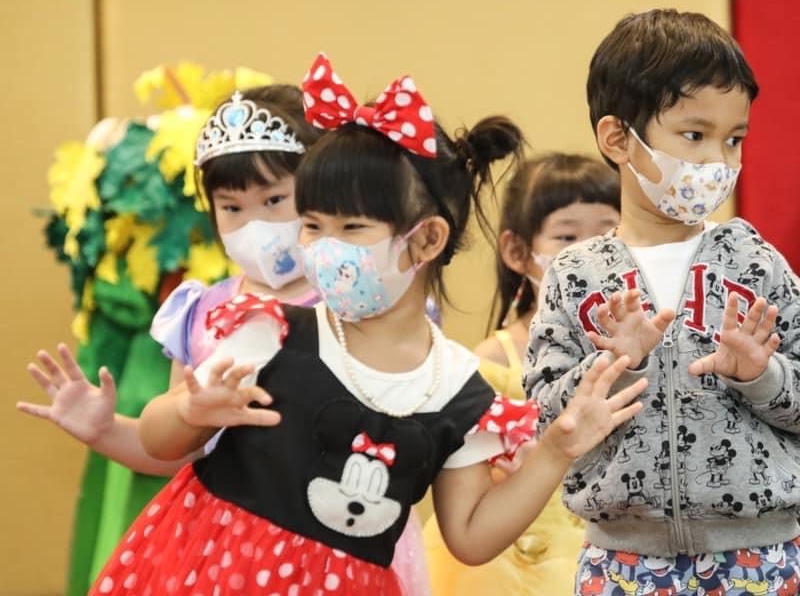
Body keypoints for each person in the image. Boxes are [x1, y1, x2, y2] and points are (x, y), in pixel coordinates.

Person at [86, 52, 648, 595]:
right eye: (312, 225)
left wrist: (555, 450)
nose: (323, 247)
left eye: (352, 227)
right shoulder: (271, 331)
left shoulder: (460, 391)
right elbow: (161, 442)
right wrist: (189, 412)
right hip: (209, 571)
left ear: (426, 239)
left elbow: (471, 537)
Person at [20, 84, 428, 594]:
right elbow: (176, 450)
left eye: (274, 200)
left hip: (337, 551)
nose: (254, 224)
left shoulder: (364, 306)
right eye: (231, 207)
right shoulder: (200, 312)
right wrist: (107, 430)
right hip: (222, 554)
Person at [524, 10, 800, 596]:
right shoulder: (574, 276)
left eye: (734, 139)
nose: (718, 160)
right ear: (617, 138)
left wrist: (762, 374)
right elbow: (547, 419)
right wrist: (615, 366)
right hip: (622, 565)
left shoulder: (754, 261)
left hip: (761, 560)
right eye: (694, 136)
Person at [422, 152, 620, 595]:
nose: (589, 254)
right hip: (514, 564)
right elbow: (471, 483)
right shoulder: (493, 362)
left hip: (613, 553)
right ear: (518, 252)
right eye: (566, 237)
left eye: (608, 234)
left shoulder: (634, 350)